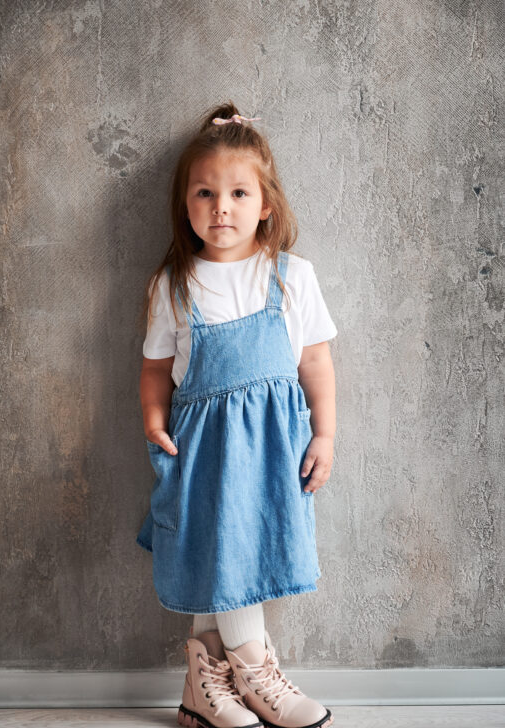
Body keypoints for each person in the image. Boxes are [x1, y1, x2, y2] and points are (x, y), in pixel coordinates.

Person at [136, 102, 337, 728]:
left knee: (243, 554)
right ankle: (252, 667)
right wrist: (152, 418)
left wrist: (325, 433)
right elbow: (153, 369)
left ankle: (206, 685)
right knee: (212, 551)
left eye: (238, 192)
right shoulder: (174, 285)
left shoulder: (290, 278)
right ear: (186, 204)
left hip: (272, 447)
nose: (221, 207)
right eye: (205, 193)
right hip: (201, 450)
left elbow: (316, 365)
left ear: (265, 204)